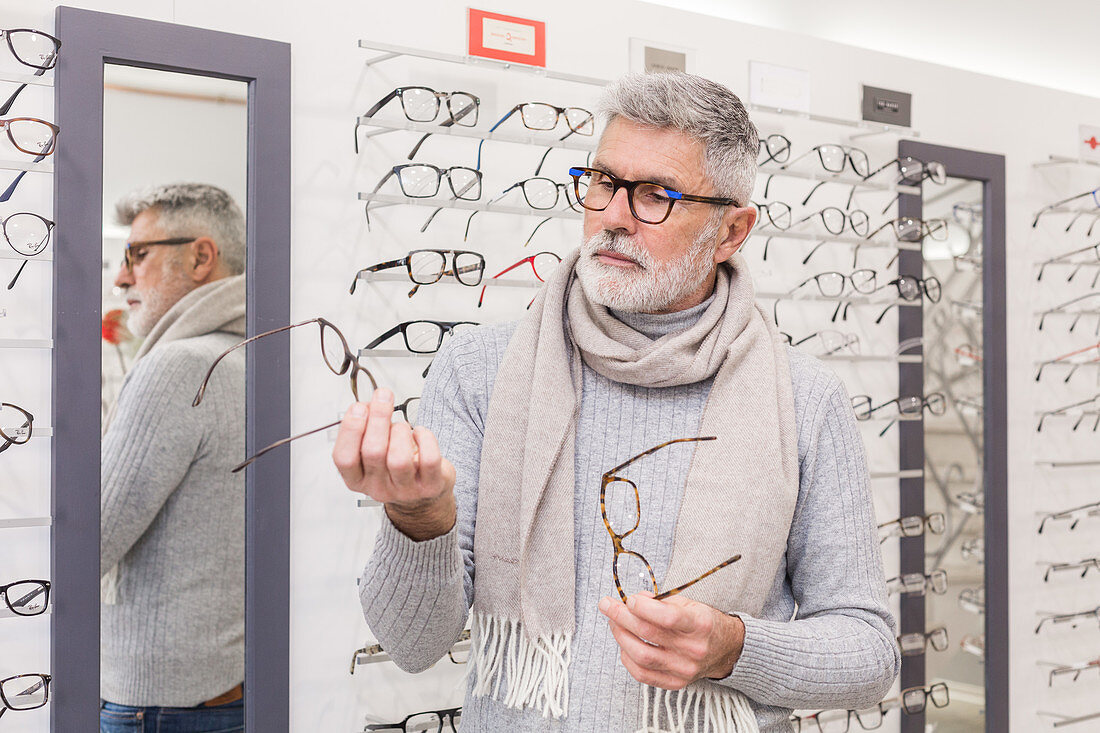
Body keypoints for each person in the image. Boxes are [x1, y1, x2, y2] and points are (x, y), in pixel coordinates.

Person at [335, 72, 900, 732]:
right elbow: (411, 642)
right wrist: (418, 516)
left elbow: (868, 651)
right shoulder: (478, 370)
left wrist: (733, 647)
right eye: (603, 181)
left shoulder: (806, 400)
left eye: (656, 194)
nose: (613, 216)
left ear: (731, 232)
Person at [100, 183, 247, 733]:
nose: (121, 277)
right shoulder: (246, 353)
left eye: (138, 255)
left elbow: (90, 537)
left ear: (201, 256)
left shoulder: (179, 367)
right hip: (218, 691)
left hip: (158, 705)